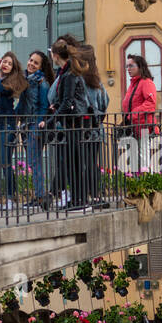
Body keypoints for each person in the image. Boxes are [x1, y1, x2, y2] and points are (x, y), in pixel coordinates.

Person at [40, 38, 93, 211]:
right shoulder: (67, 72)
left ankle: (80, 201)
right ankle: (78, 199)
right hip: (73, 121)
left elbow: (68, 101)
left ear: (55, 56)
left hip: (74, 123)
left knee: (75, 163)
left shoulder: (69, 74)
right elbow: (66, 100)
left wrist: (51, 120)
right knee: (73, 163)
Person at [0, 52, 28, 207]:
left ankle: (10, 197)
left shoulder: (12, 82)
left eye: (9, 63)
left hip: (6, 124)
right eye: (4, 61)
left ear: (13, 68)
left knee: (5, 162)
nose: (5, 65)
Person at [79, 43, 110, 206]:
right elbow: (106, 100)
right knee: (92, 162)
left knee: (82, 164)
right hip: (96, 128)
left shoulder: (78, 79)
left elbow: (52, 93)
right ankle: (96, 195)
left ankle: (84, 196)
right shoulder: (96, 80)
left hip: (82, 127)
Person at [24, 50, 52, 204]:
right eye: (30, 60)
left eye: (35, 62)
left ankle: (41, 196)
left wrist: (39, 123)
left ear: (41, 66)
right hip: (27, 124)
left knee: (35, 162)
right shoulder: (26, 79)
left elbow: (44, 106)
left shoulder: (42, 83)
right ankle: (39, 194)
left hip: (35, 125)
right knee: (33, 162)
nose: (31, 64)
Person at [122, 53, 158, 133]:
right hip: (134, 128)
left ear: (140, 67)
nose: (128, 69)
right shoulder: (132, 85)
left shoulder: (146, 82)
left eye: (131, 66)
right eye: (127, 66)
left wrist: (131, 116)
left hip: (145, 129)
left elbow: (150, 103)